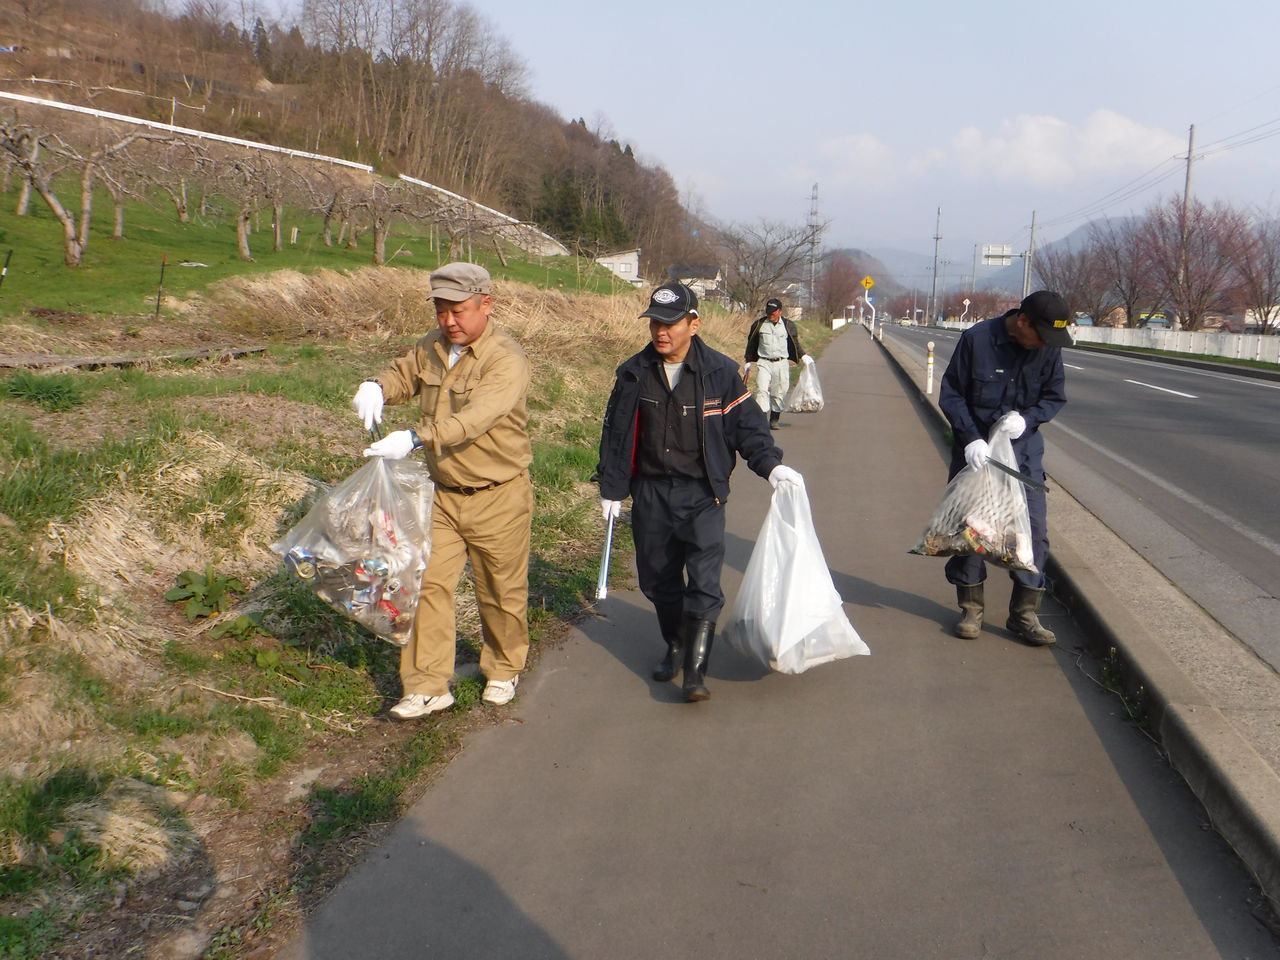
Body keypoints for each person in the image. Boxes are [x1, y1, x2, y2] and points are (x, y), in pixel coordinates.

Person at [596, 281, 804, 701]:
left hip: (703, 494)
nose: (661, 331)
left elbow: (748, 428)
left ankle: (695, 670)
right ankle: (674, 642)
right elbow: (615, 434)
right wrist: (612, 488)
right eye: (655, 322)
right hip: (651, 493)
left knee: (705, 584)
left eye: (671, 323)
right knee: (657, 581)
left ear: (694, 323)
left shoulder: (720, 373)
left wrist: (772, 467)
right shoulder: (633, 372)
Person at [353, 262, 534, 719]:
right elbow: (404, 376)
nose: (449, 321)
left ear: (485, 305)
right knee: (424, 584)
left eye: (458, 311)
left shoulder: (505, 360)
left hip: (499, 494)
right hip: (443, 494)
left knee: (500, 591)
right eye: (440, 311)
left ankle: (503, 668)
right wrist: (376, 386)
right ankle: (428, 685)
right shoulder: (431, 347)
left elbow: (475, 418)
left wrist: (415, 438)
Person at [937, 290, 1070, 645]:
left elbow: (1054, 396)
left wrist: (1028, 420)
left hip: (1022, 455)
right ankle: (971, 608)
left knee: (1033, 531)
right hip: (976, 452)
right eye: (1040, 336)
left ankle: (1024, 614)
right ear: (1022, 321)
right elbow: (951, 393)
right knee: (972, 531)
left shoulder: (1048, 347)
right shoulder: (978, 340)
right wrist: (969, 437)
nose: (1044, 345)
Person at [743, 297, 813, 430]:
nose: (771, 315)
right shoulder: (759, 324)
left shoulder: (788, 325)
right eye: (768, 312)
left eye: (773, 312)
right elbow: (751, 343)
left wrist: (803, 356)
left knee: (779, 392)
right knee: (761, 390)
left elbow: (795, 343)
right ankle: (762, 421)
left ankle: (774, 419)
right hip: (764, 362)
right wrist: (748, 361)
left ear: (780, 311)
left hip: (781, 363)